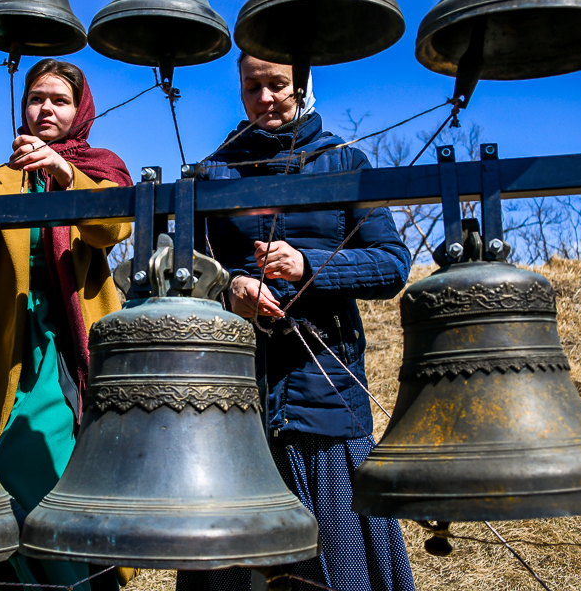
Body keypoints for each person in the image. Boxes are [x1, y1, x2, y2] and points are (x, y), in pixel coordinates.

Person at [177, 55, 416, 591]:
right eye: (252, 87)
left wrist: (312, 265)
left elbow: (391, 263)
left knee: (342, 566)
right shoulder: (212, 171)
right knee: (239, 571)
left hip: (325, 397)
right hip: (234, 400)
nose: (265, 98)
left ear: (303, 85)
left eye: (278, 85)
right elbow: (180, 276)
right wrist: (229, 289)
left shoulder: (345, 162)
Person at [0, 59, 133, 590]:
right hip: (11, 341)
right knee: (3, 468)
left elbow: (115, 224)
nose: (45, 109)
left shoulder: (102, 168)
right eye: (36, 98)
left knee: (53, 468)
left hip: (73, 344)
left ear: (80, 111)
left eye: (59, 100)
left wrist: (64, 174)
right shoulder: (2, 176)